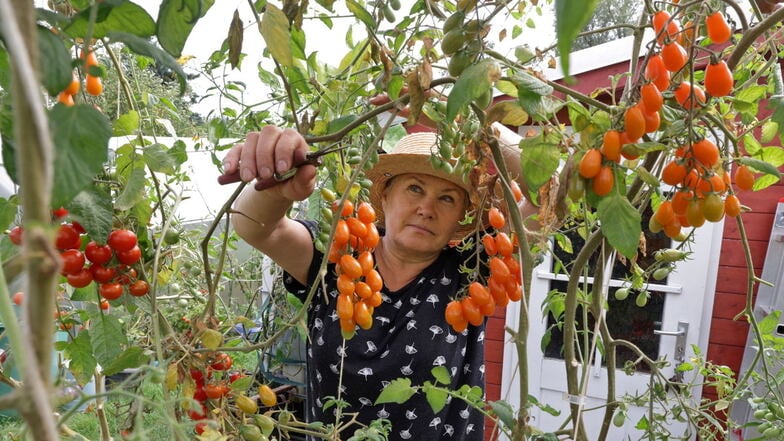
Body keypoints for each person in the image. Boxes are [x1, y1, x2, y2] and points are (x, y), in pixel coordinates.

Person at [221, 122, 535, 441]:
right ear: (385, 196)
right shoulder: (338, 259)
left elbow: (543, 192)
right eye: (415, 188)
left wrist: (474, 119)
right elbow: (257, 227)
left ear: (461, 216)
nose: (426, 209)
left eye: (447, 198)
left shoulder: (471, 274)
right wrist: (275, 190)